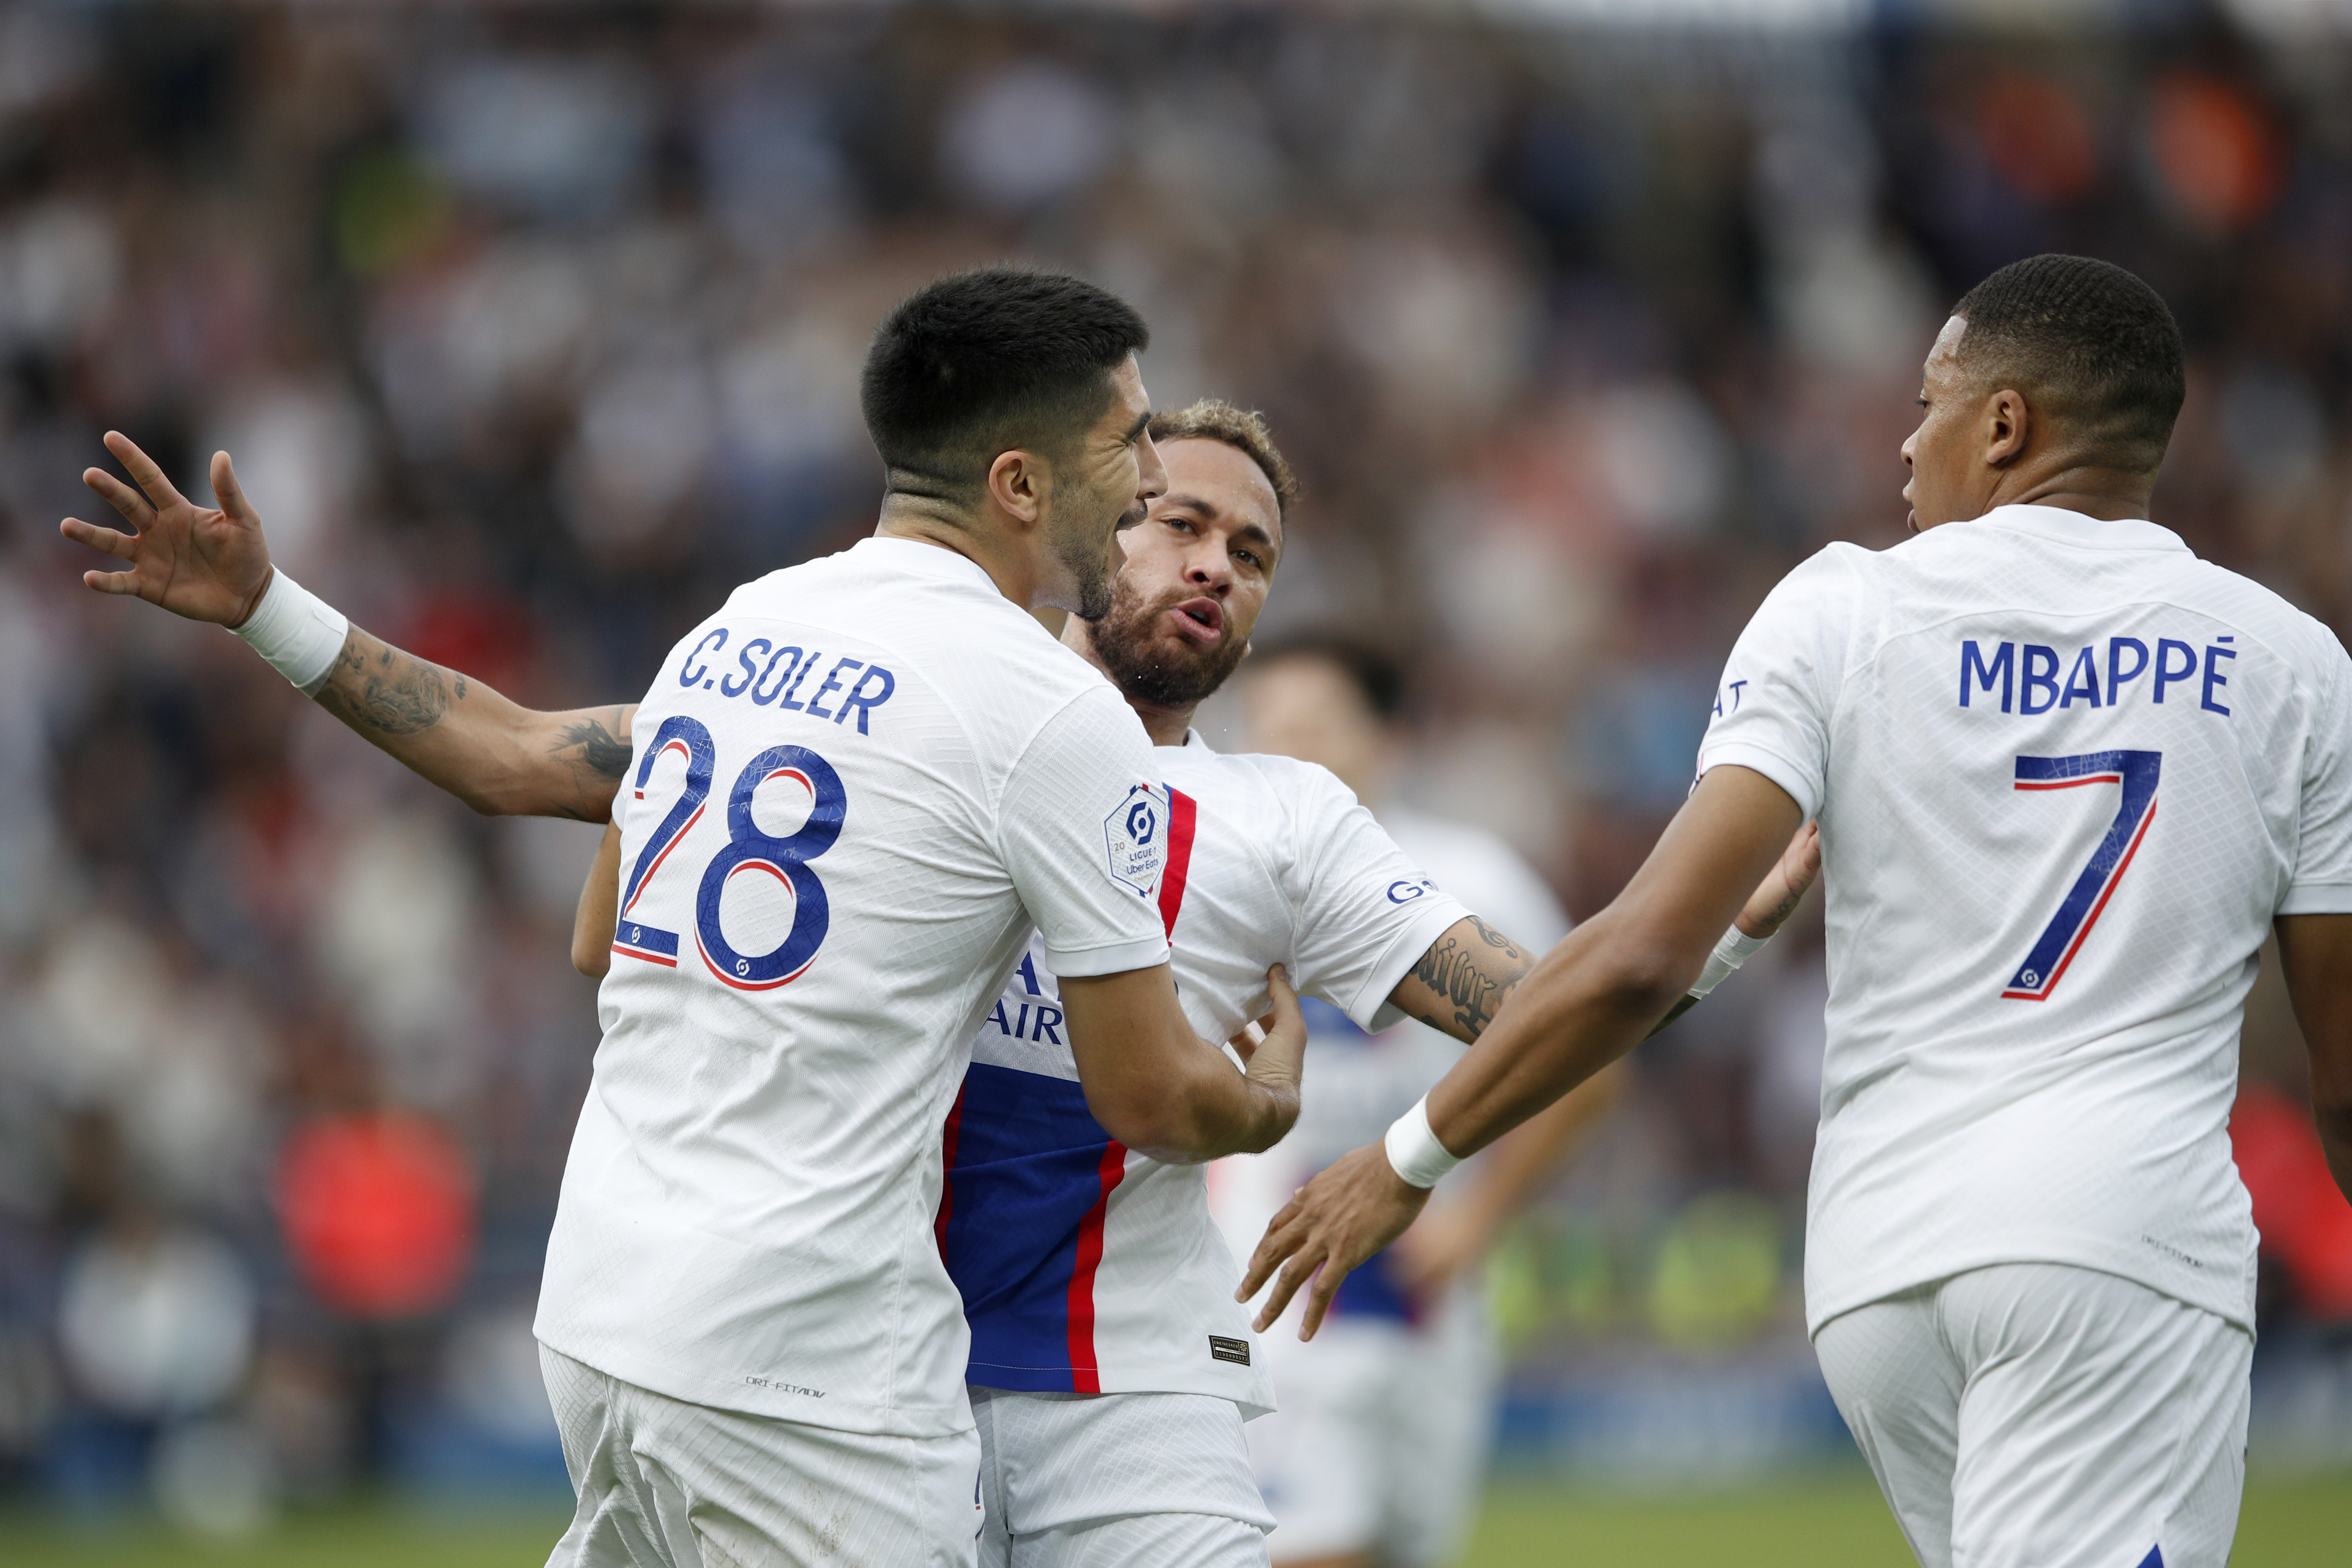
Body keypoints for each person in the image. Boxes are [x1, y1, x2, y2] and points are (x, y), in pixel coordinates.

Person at [62, 268, 1309, 1568]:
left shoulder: (742, 628)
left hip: (608, 1308)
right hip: (810, 1359)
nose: (1149, 466)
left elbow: (514, 769)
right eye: (1125, 437)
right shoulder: (1055, 718)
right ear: (1019, 482)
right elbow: (1151, 1097)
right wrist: (1266, 1093)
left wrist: (269, 605)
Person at [1239, 253, 2352, 1568]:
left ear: (2002, 425)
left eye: (1928, 400)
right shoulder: (2290, 661)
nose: (1901, 436)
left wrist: (1407, 1153)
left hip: (1880, 1264)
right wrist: (1409, 1163)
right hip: (2113, 1240)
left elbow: (1641, 948)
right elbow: (2339, 1048)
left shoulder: (1839, 604)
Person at [564, 397, 1810, 1568]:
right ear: (1091, 526)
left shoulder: (1284, 823)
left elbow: (1536, 1007)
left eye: (1253, 553)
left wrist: (1714, 936)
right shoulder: (916, 712)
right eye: (1183, 525)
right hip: (854, 1371)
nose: (1219, 565)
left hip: (1131, 1395)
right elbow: (614, 916)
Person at [1213, 635, 1573, 1568]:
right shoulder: (1217, 882)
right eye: (1266, 729)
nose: (1286, 751)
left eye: (1313, 727)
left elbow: (1589, 1061)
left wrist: (1479, 1218)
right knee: (1316, 1546)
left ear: (1391, 738)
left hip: (1429, 1298)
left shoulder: (1475, 882)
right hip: (1279, 1286)